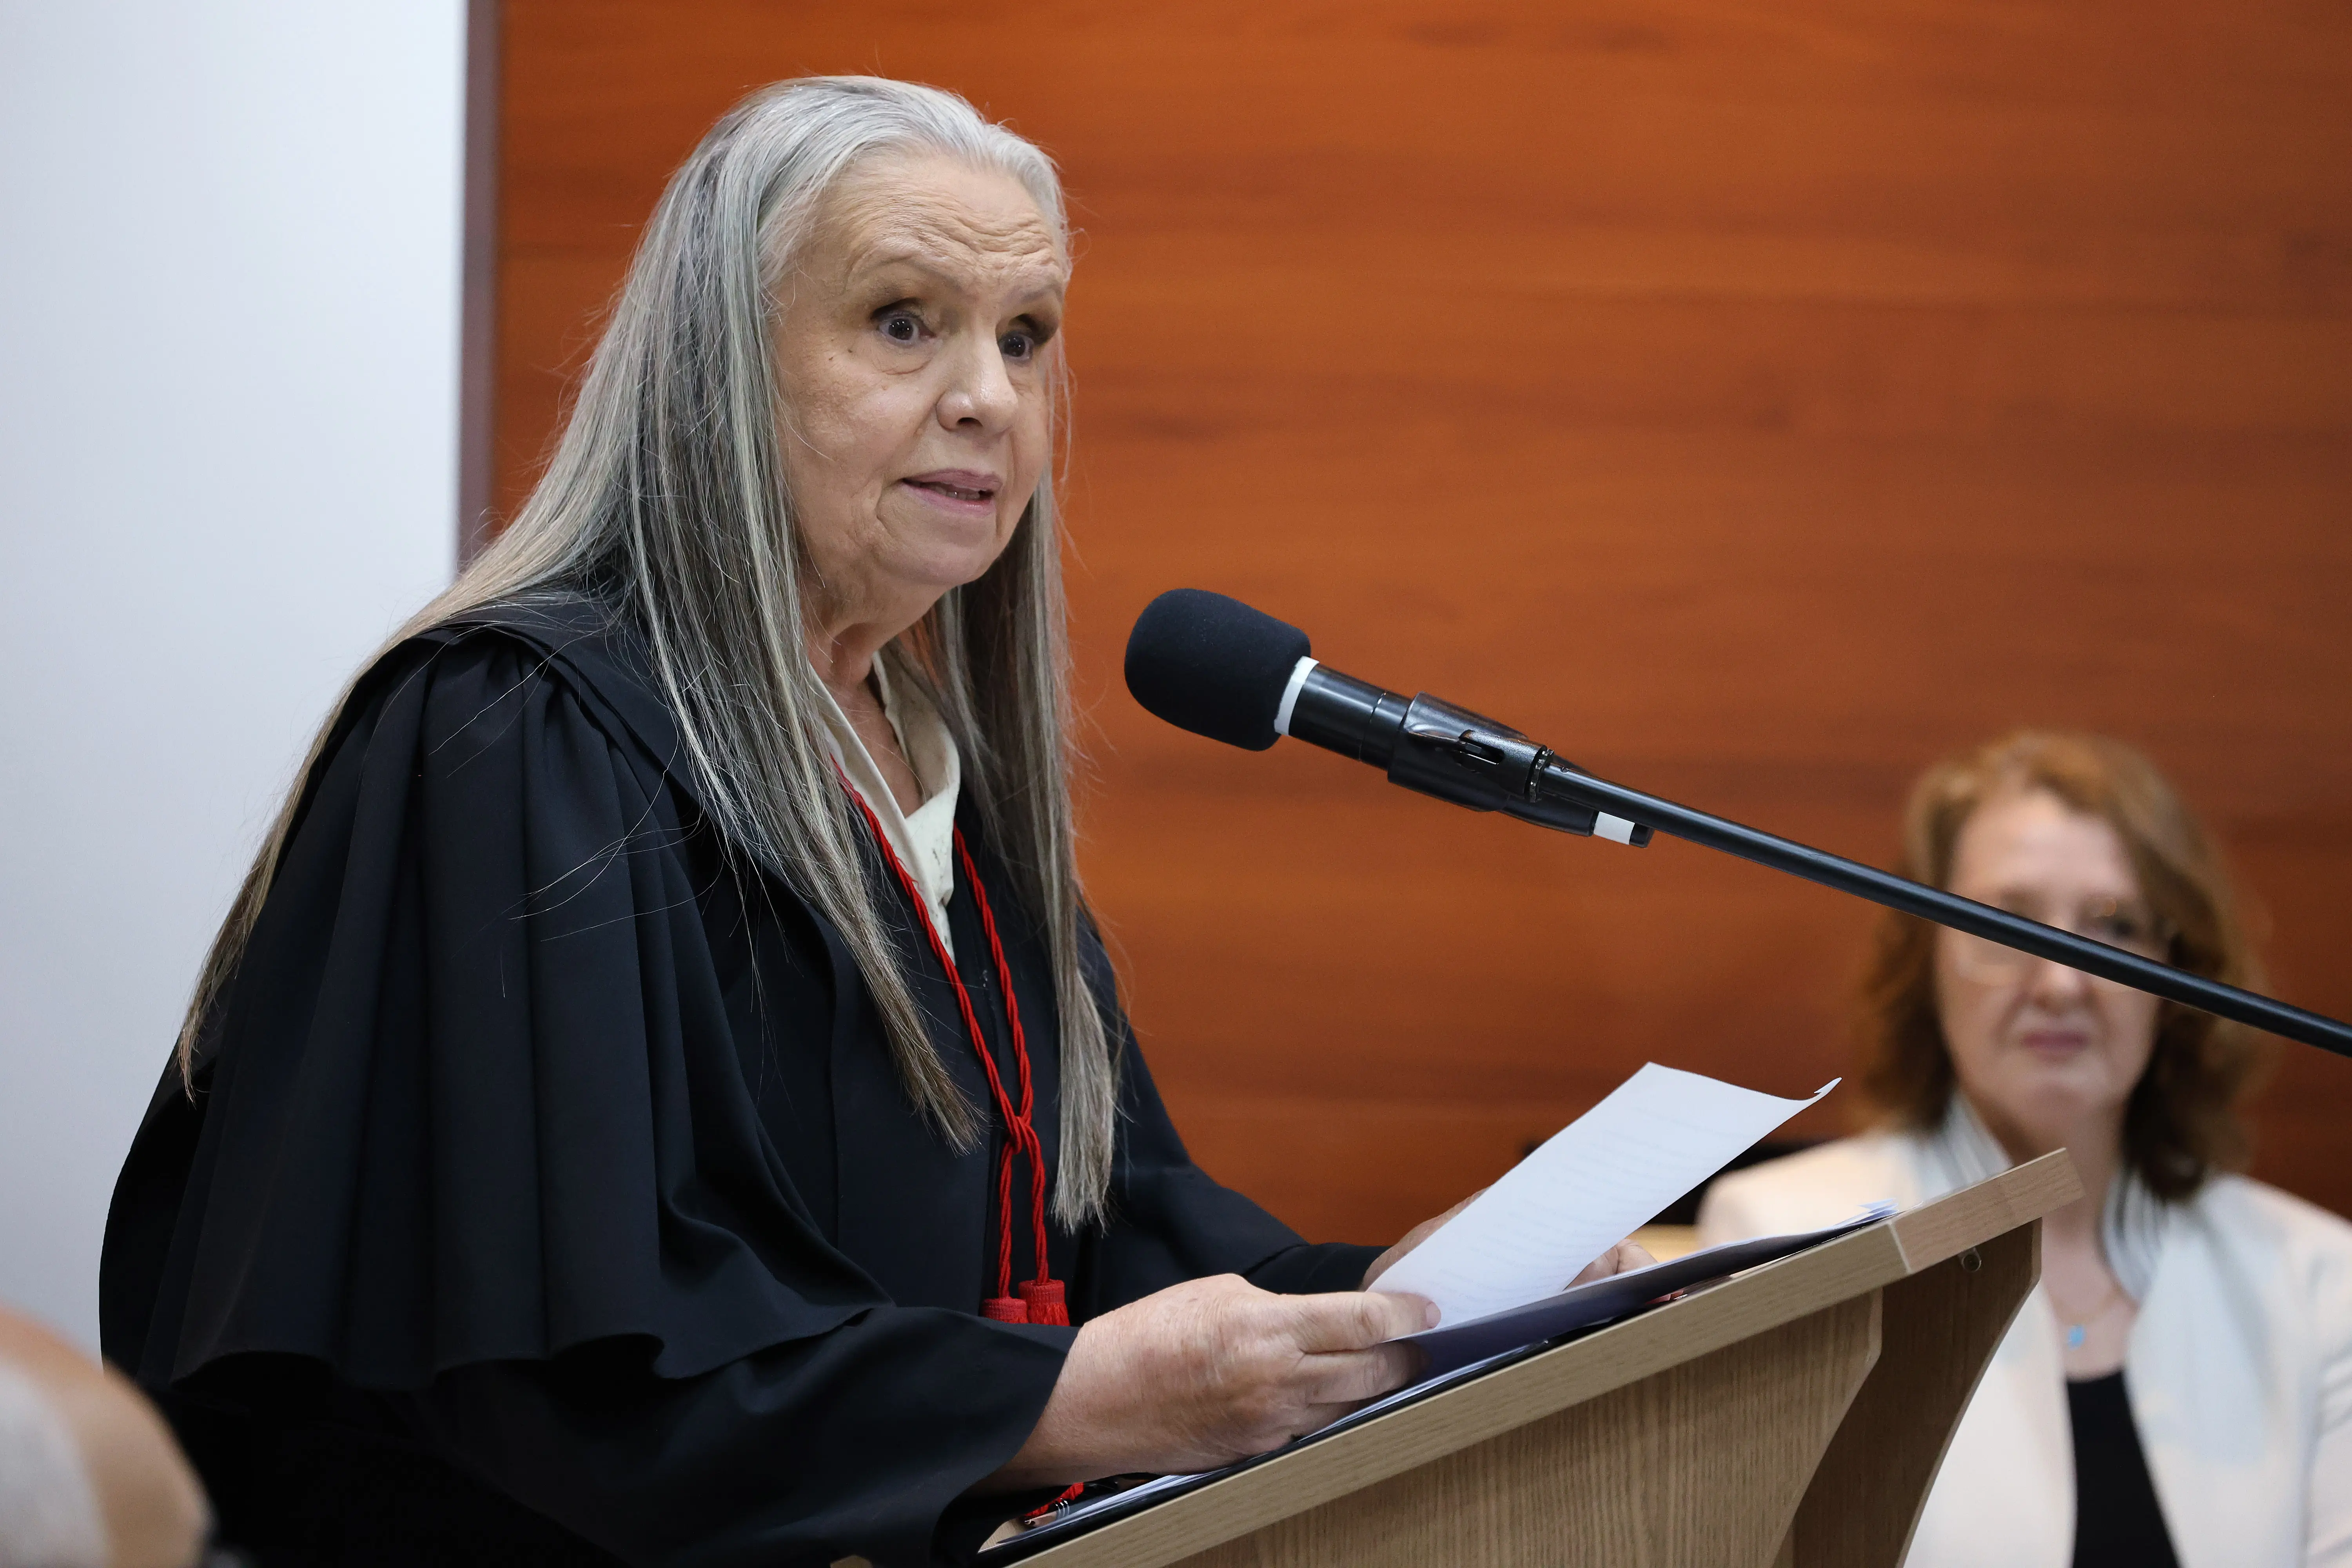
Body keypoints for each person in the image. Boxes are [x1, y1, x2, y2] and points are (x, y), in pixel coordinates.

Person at [99, 77, 1644, 1568]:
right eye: (905, 321)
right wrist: (1055, 1403)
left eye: (1026, 337)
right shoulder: (519, 733)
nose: (988, 395)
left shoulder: (935, 760)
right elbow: (560, 1364)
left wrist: (1393, 1296)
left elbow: (1090, 1235)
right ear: (721, 366)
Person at [1698, 731, 2352, 1568]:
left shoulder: (2323, 1281)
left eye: (2113, 926)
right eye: (2004, 923)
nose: (2061, 980)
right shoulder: (1783, 1240)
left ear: (2180, 975)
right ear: (1925, 962)